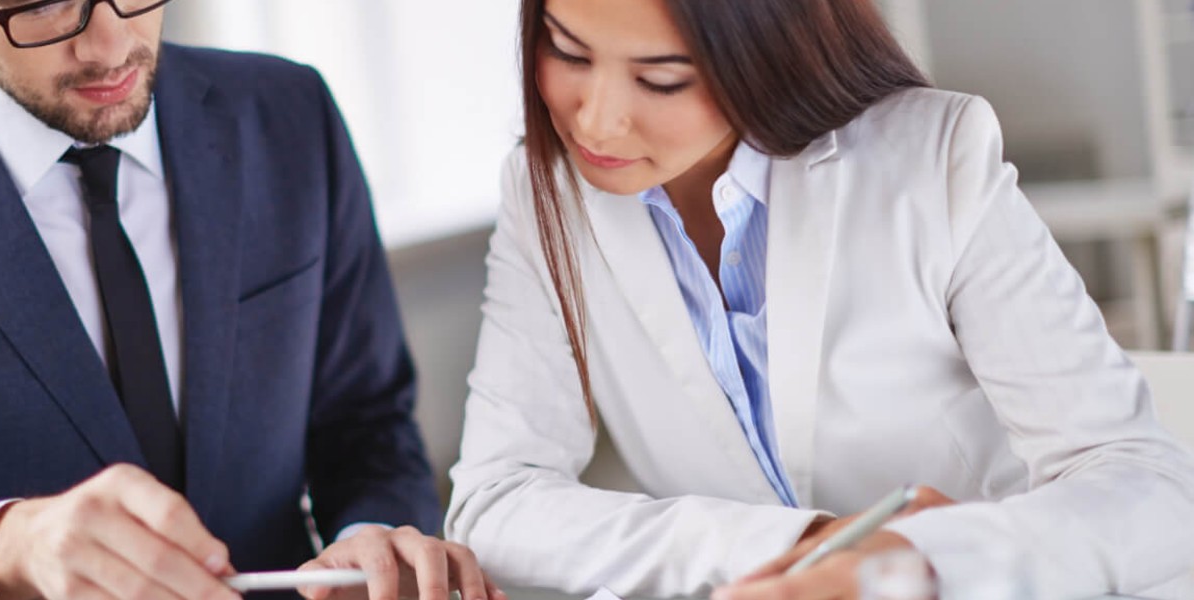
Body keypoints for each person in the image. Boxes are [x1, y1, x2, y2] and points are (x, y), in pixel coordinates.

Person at [0, 1, 498, 599]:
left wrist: (370, 545)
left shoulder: (290, 115)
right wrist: (3, 547)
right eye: (43, 2)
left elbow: (366, 426)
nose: (110, 43)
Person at [444, 0, 1194, 598]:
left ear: (767, 52)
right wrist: (799, 546)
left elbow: (1147, 486)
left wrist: (923, 561)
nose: (596, 119)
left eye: (663, 77)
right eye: (567, 50)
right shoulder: (542, 190)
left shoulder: (933, 159)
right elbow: (497, 501)